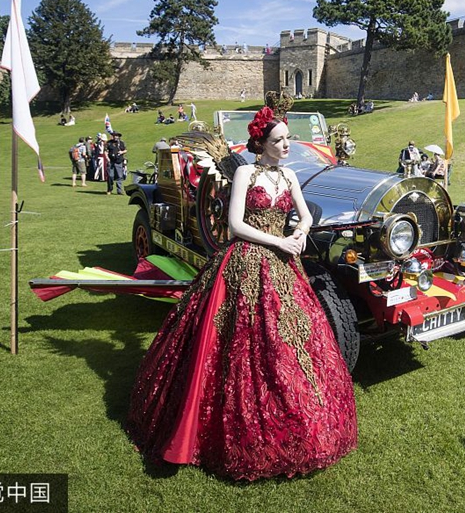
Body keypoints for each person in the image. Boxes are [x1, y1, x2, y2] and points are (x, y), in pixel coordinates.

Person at [127, 105, 357, 480]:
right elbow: (234, 226)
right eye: (279, 140)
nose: (286, 145)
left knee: (291, 339)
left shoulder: (289, 176)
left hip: (283, 264)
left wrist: (299, 233)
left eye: (287, 139)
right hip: (247, 260)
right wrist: (279, 242)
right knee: (235, 340)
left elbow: (307, 214)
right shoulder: (246, 174)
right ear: (261, 143)